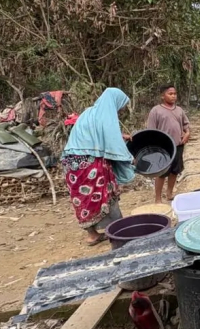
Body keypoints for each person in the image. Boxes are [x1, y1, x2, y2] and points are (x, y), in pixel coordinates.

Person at [61, 88, 135, 245]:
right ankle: (118, 230)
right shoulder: (106, 115)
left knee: (83, 198)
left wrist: (121, 136)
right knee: (104, 193)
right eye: (120, 105)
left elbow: (97, 133)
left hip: (72, 163)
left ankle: (92, 234)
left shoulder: (90, 112)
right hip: (89, 162)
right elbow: (111, 141)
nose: (120, 109)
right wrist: (129, 158)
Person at [146, 83, 190, 203]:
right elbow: (151, 130)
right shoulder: (156, 111)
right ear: (162, 96)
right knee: (161, 173)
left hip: (178, 145)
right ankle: (158, 199)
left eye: (175, 94)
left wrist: (187, 134)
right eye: (170, 94)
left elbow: (186, 126)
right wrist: (154, 146)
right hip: (163, 148)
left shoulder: (179, 110)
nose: (173, 96)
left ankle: (169, 193)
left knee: (175, 171)